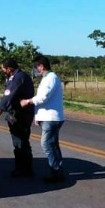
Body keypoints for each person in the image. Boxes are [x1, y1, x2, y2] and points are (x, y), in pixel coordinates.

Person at [20, 55, 66, 183]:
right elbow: (43, 100)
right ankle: (58, 170)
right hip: (48, 116)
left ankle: (55, 171)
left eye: (36, 67)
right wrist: (38, 116)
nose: (35, 70)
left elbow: (43, 97)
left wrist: (27, 101)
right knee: (53, 144)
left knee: (46, 144)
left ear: (41, 66)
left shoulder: (50, 78)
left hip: (51, 118)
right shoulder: (47, 78)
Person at [0, 58, 35, 177]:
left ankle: (23, 169)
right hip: (25, 114)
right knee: (23, 141)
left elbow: (7, 99)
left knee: (19, 142)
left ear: (9, 69)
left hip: (20, 115)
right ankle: (26, 168)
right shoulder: (22, 76)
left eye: (3, 69)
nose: (2, 71)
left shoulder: (17, 79)